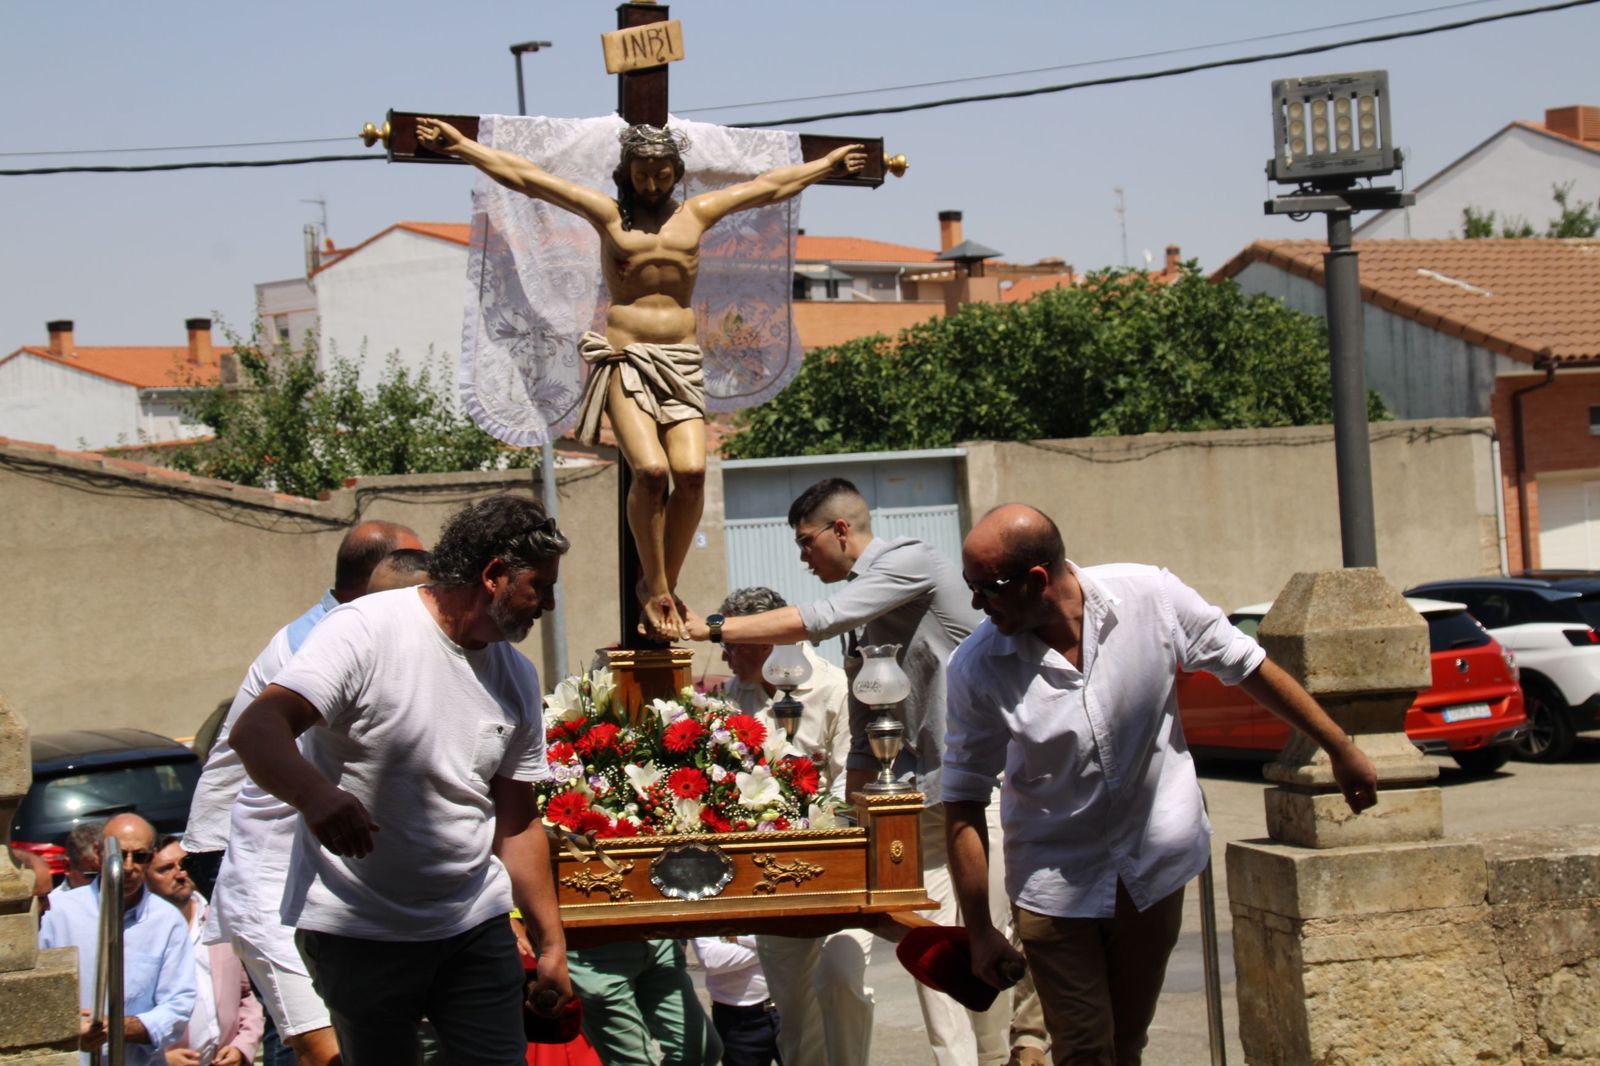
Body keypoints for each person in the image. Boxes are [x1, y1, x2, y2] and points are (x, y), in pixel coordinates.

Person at [943, 504, 1381, 1066]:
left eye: (988, 588)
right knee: (1084, 1050)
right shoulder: (977, 667)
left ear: (1037, 579)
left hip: (1152, 870)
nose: (977, 604)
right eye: (970, 587)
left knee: (1126, 1044)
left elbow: (1246, 664)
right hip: (1055, 882)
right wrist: (978, 929)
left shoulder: (1150, 598)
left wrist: (1338, 746)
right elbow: (963, 798)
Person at [417, 114, 866, 642]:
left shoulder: (696, 214)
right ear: (625, 171)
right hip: (626, 360)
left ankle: (663, 583)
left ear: (675, 171)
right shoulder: (609, 215)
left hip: (681, 362)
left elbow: (769, 187)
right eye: (641, 172)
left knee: (692, 473)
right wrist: (465, 146)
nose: (650, 183)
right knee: (651, 472)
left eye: (660, 172)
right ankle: (653, 587)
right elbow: (530, 179)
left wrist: (826, 166)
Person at [684, 478, 1037, 1066]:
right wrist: (848, 817)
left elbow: (818, 618)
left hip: (982, 792)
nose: (802, 557)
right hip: (919, 801)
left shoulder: (909, 561)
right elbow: (866, 718)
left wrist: (712, 627)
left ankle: (1005, 1057)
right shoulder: (864, 613)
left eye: (805, 543)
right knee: (935, 960)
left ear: (840, 530)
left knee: (988, 955)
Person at [231, 494, 574, 1065]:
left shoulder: (516, 674)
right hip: (359, 931)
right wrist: (315, 795)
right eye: (540, 585)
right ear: (493, 575)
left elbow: (516, 822)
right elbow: (257, 728)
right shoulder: (365, 631)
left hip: (474, 926)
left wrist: (552, 943)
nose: (549, 605)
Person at [192, 521, 423, 1066]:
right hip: (246, 854)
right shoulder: (323, 642)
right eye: (411, 578)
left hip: (307, 856)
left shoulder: (368, 630)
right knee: (322, 1043)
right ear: (367, 585)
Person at [184, 519, 425, 896]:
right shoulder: (322, 642)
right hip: (242, 849)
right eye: (411, 566)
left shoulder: (349, 630)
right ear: (379, 577)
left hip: (267, 848)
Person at [712, 586, 873, 1066]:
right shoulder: (729, 698)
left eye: (733, 643)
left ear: (767, 640)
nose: (724, 654)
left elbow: (852, 779)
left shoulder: (834, 688)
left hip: (840, 870)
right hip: (771, 877)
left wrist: (825, 839)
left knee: (843, 980)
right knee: (797, 1021)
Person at [40, 814, 197, 1066]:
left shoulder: (167, 921)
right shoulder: (57, 913)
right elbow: (37, 996)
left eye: (140, 856)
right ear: (99, 853)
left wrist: (121, 1027)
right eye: (120, 855)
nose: (128, 866)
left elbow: (179, 1003)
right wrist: (70, 1027)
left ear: (153, 854)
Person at [146, 837, 264, 1066]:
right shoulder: (139, 934)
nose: (180, 874)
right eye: (165, 869)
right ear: (146, 878)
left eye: (184, 864)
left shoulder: (218, 918)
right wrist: (159, 1060)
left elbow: (247, 995)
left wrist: (242, 1047)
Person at [564, 939, 721, 1066]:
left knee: (699, 1050)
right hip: (591, 947)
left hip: (655, 935)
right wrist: (551, 949)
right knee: (635, 1062)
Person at [689, 936, 780, 1066]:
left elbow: (793, 938)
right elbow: (712, 960)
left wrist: (738, 939)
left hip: (790, 1008)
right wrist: (774, 946)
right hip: (738, 1021)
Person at [47, 820, 105, 907]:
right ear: (67, 867)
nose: (103, 881)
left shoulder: (126, 901)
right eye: (93, 875)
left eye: (108, 873)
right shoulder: (53, 908)